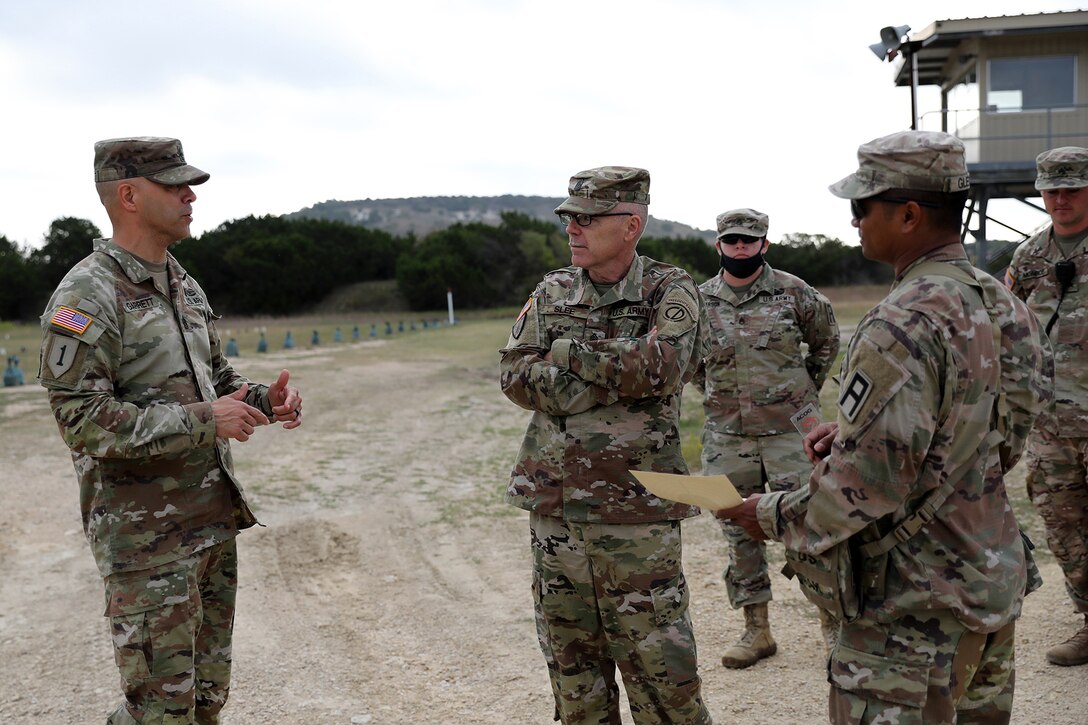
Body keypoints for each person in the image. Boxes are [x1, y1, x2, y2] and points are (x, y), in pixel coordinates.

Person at [717, 130, 1052, 723]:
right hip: (987, 582)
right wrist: (851, 436)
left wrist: (766, 513)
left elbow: (870, 483)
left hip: (912, 610)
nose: (854, 223)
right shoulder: (1003, 304)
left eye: (861, 207)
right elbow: (1001, 441)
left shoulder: (901, 320)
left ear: (909, 214)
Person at [38, 137, 304, 723]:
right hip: (146, 545)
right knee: (160, 710)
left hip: (210, 523)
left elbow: (215, 378)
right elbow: (81, 420)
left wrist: (264, 399)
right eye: (174, 185)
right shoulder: (88, 292)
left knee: (205, 700)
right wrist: (206, 420)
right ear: (128, 195)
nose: (190, 196)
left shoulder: (183, 282)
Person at [500, 166, 713, 724]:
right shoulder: (552, 290)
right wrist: (602, 379)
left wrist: (568, 354)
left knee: (663, 677)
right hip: (557, 510)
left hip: (637, 513)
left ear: (632, 225)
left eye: (589, 219)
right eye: (570, 218)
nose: (574, 229)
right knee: (575, 679)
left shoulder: (670, 289)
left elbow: (663, 368)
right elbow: (515, 376)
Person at [693, 208, 840, 668]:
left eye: (749, 241)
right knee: (739, 532)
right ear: (718, 245)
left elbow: (826, 343)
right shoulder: (698, 301)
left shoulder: (795, 293)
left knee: (811, 528)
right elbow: (692, 364)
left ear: (764, 245)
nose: (741, 249)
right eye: (732, 241)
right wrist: (724, 397)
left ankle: (834, 628)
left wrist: (800, 394)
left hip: (791, 435)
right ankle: (756, 630)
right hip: (727, 436)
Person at [1005, 146, 1088, 666]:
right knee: (1066, 530)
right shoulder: (1029, 258)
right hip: (1051, 426)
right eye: (1051, 189)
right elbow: (1011, 330)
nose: (1060, 198)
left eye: (1072, 188)